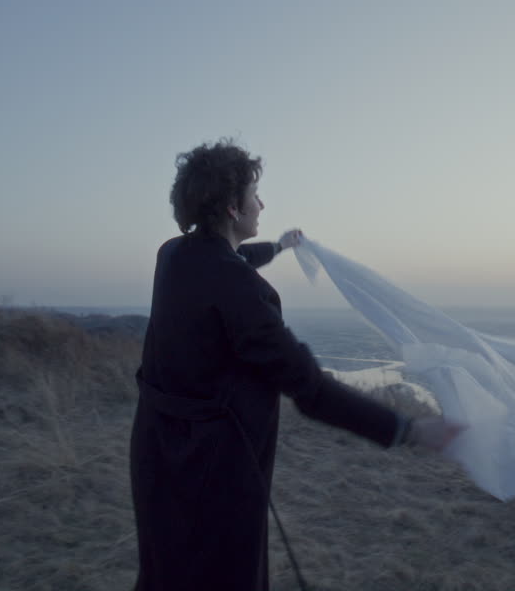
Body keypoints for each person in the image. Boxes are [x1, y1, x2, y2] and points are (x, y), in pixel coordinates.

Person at [129, 140, 462, 591]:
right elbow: (310, 389)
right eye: (254, 194)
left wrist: (280, 247)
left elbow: (229, 258)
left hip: (156, 450)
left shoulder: (174, 254)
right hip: (214, 470)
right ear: (232, 207)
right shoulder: (244, 292)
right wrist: (407, 430)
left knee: (165, 571)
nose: (261, 203)